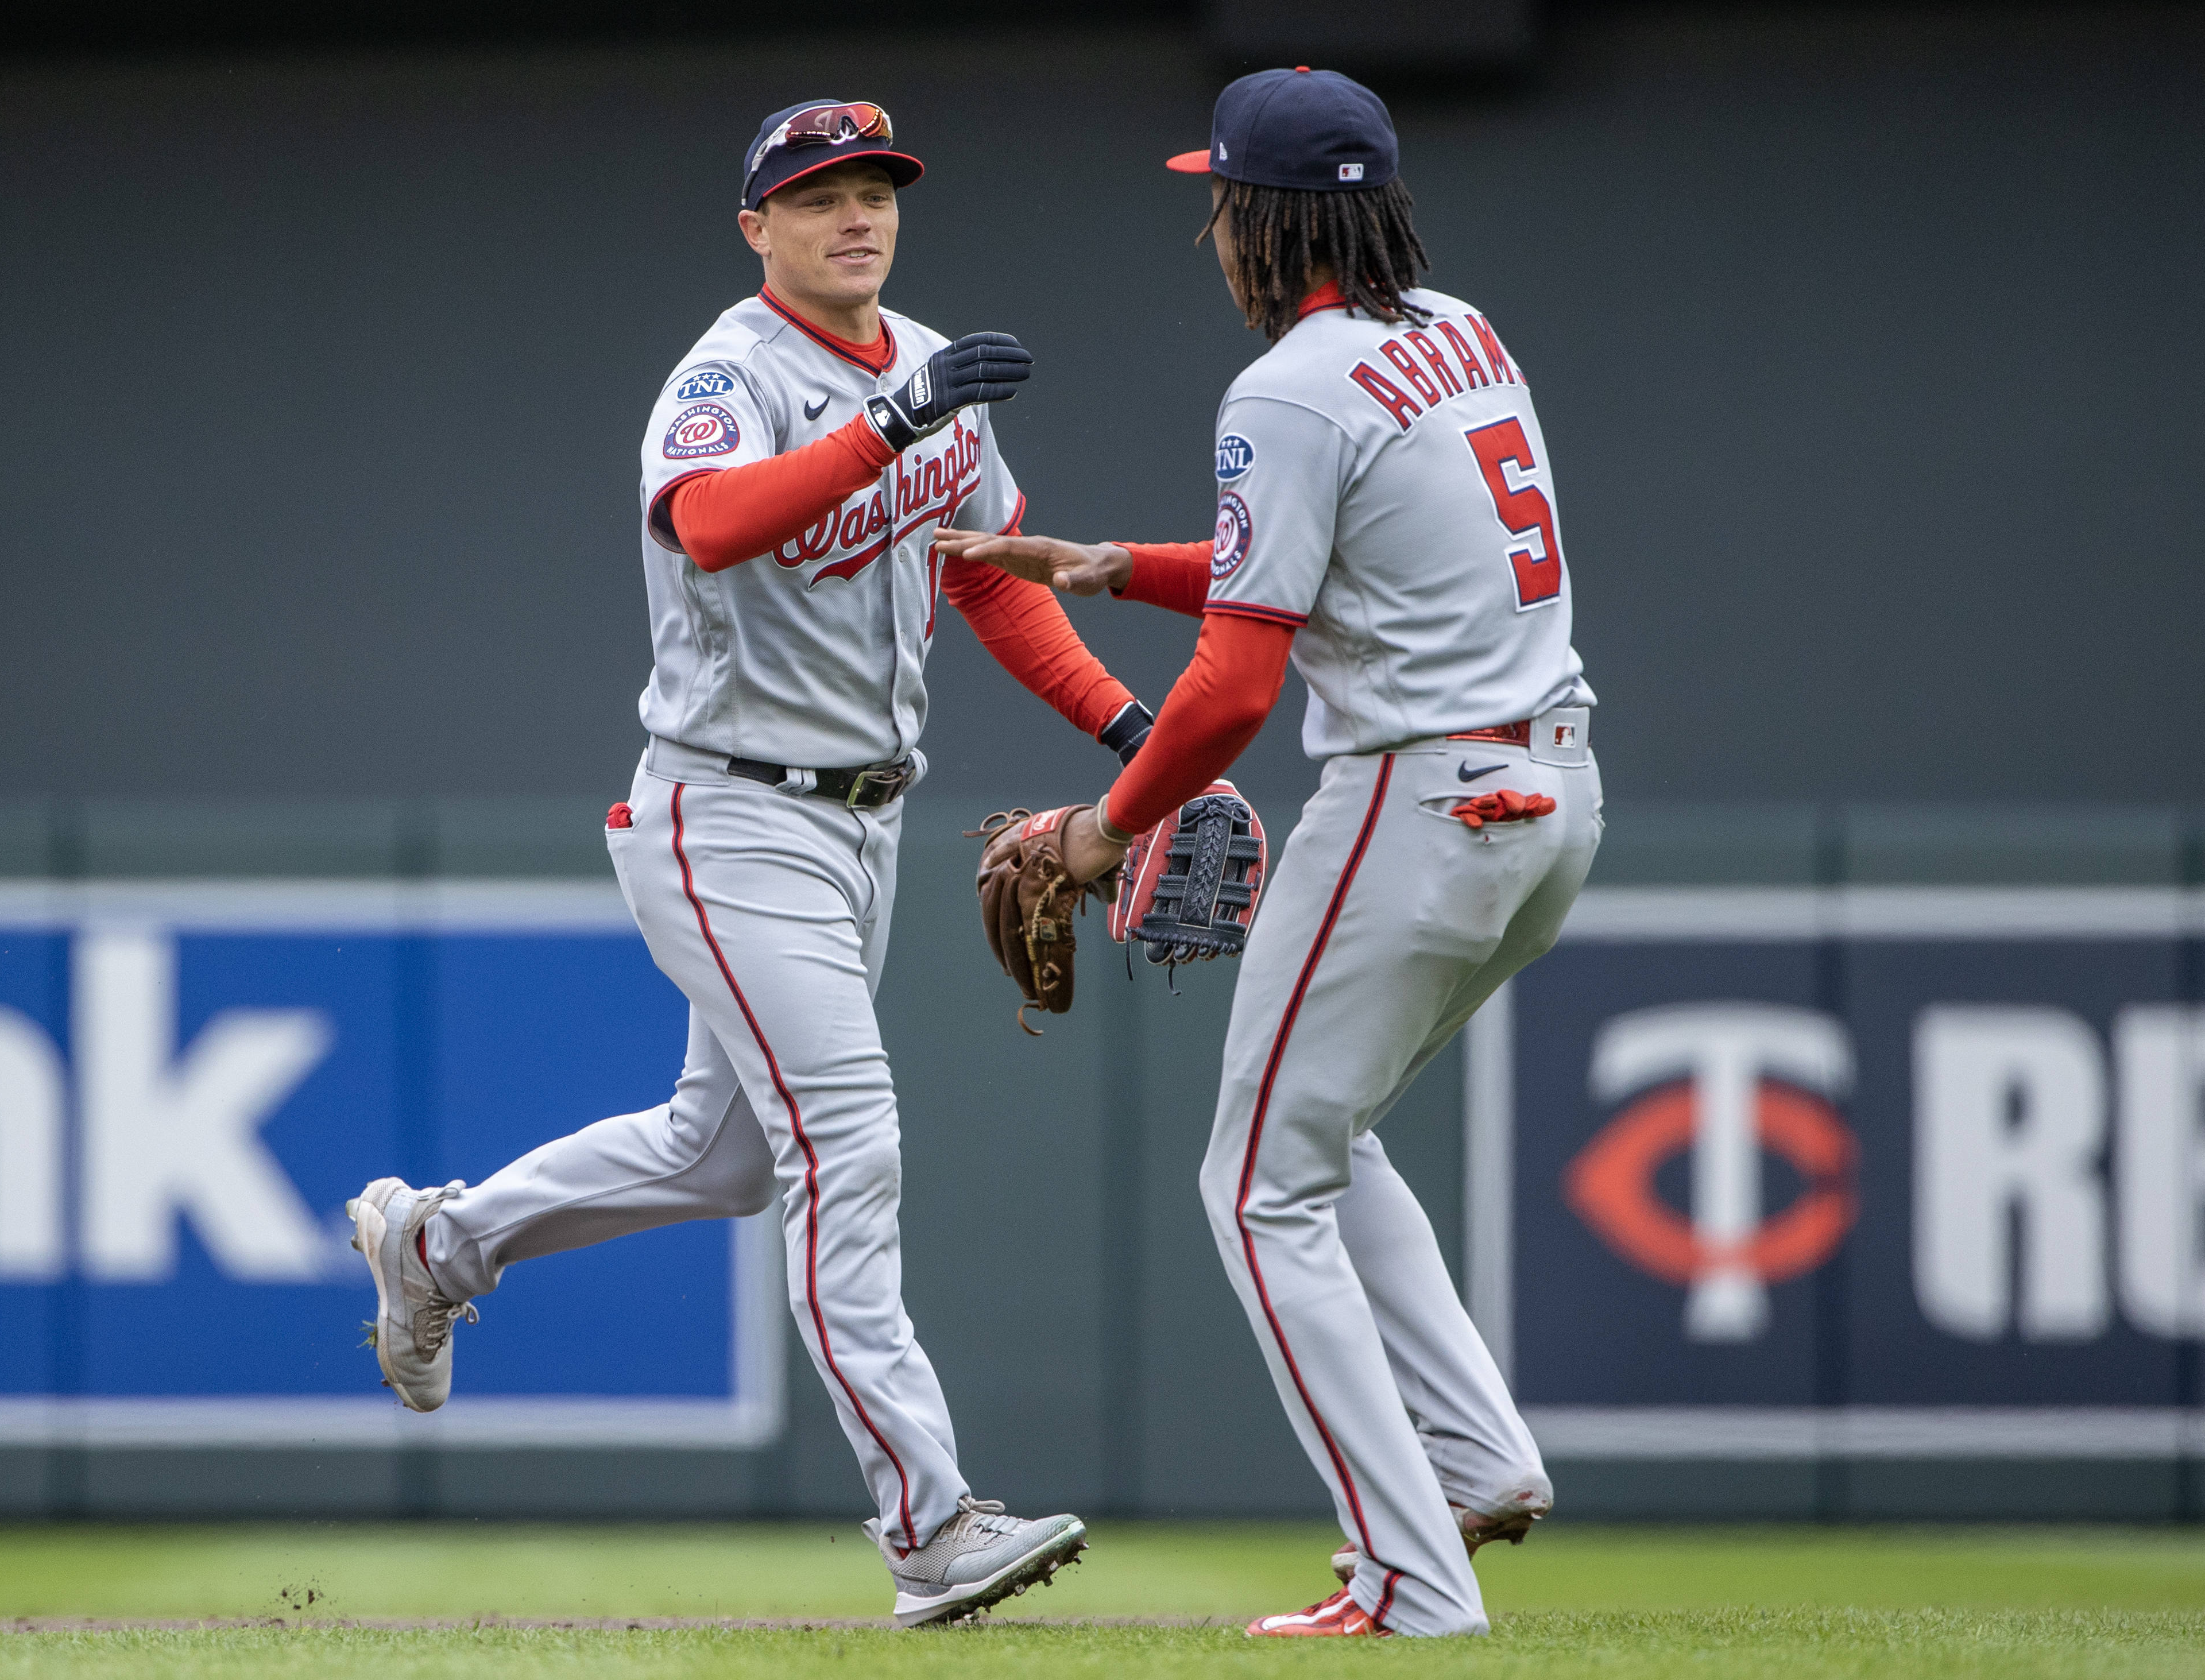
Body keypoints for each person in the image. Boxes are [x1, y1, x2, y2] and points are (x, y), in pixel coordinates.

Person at [347, 98, 1152, 1628]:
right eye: (819, 195)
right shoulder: (729, 374)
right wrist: (888, 429)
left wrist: (1132, 732)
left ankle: (433, 1244)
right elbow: (712, 523)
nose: (856, 216)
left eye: (877, 190)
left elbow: (985, 579)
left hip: (864, 821)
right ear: (757, 228)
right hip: (728, 812)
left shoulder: (928, 373)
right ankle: (930, 1525)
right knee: (845, 1145)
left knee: (717, 1153)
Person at [934, 68, 1601, 1638]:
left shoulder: (1289, 385)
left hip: (1414, 801)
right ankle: (1480, 1465)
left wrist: (1103, 830)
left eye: (1221, 202)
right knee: (1322, 1139)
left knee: (1253, 1185)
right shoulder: (1455, 326)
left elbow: (1239, 687)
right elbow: (1332, 566)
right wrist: (1115, 567)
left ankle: (1408, 1579)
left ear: (1272, 216)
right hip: (1548, 802)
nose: (1210, 232)